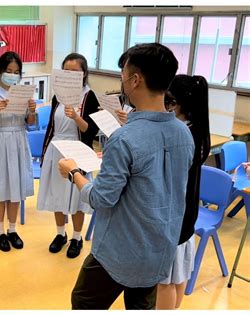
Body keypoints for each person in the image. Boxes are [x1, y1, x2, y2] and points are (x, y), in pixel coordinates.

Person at [58, 43, 194, 309]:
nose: (121, 82)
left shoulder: (124, 139)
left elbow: (100, 199)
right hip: (159, 249)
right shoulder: (183, 133)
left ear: (135, 80)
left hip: (119, 252)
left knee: (84, 302)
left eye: (122, 76)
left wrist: (74, 173)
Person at [37, 52, 100, 258]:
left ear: (84, 74)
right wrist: (46, 152)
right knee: (58, 194)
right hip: (57, 148)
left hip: (77, 149)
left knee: (76, 197)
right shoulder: (58, 95)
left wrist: (76, 116)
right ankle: (60, 234)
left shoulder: (89, 96)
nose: (70, 75)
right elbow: (51, 128)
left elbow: (91, 130)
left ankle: (76, 237)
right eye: (66, 71)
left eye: (75, 72)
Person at [156, 75, 210, 309]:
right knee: (177, 272)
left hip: (174, 214)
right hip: (186, 212)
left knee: (164, 280)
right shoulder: (196, 129)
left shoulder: (180, 134)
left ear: (175, 103)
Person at [0, 51, 36, 252]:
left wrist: (32, 110)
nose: (12, 75)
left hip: (19, 140)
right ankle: (0, 231)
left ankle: (12, 229)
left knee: (16, 187)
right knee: (0, 188)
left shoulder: (22, 92)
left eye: (16, 71)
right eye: (8, 71)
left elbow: (30, 123)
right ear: (0, 71)